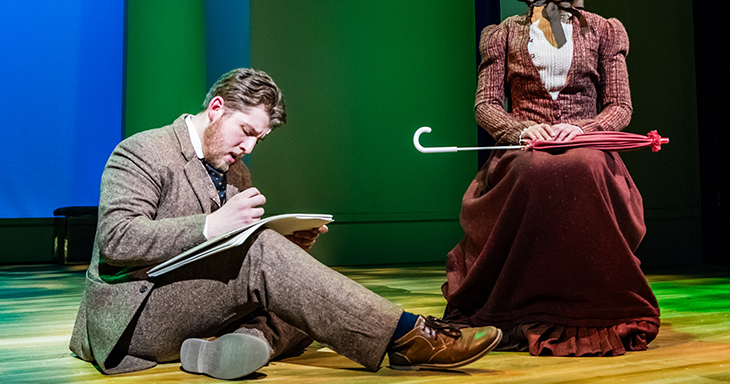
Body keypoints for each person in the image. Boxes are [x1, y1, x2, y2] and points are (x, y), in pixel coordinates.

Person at [70, 68, 501, 380]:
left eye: (258, 139)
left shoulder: (236, 172)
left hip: (197, 311)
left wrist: (290, 245)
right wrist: (212, 225)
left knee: (305, 299)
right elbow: (117, 241)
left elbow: (231, 258)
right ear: (216, 108)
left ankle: (242, 344)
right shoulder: (143, 151)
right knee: (285, 277)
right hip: (136, 318)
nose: (249, 147)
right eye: (245, 131)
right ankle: (408, 336)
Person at [441, 0, 660, 357]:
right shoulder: (502, 34)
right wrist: (522, 129)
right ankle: (518, 305)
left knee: (583, 165)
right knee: (534, 170)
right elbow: (486, 105)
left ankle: (594, 306)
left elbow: (620, 106)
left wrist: (582, 130)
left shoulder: (605, 29)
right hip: (525, 146)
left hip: (588, 145)